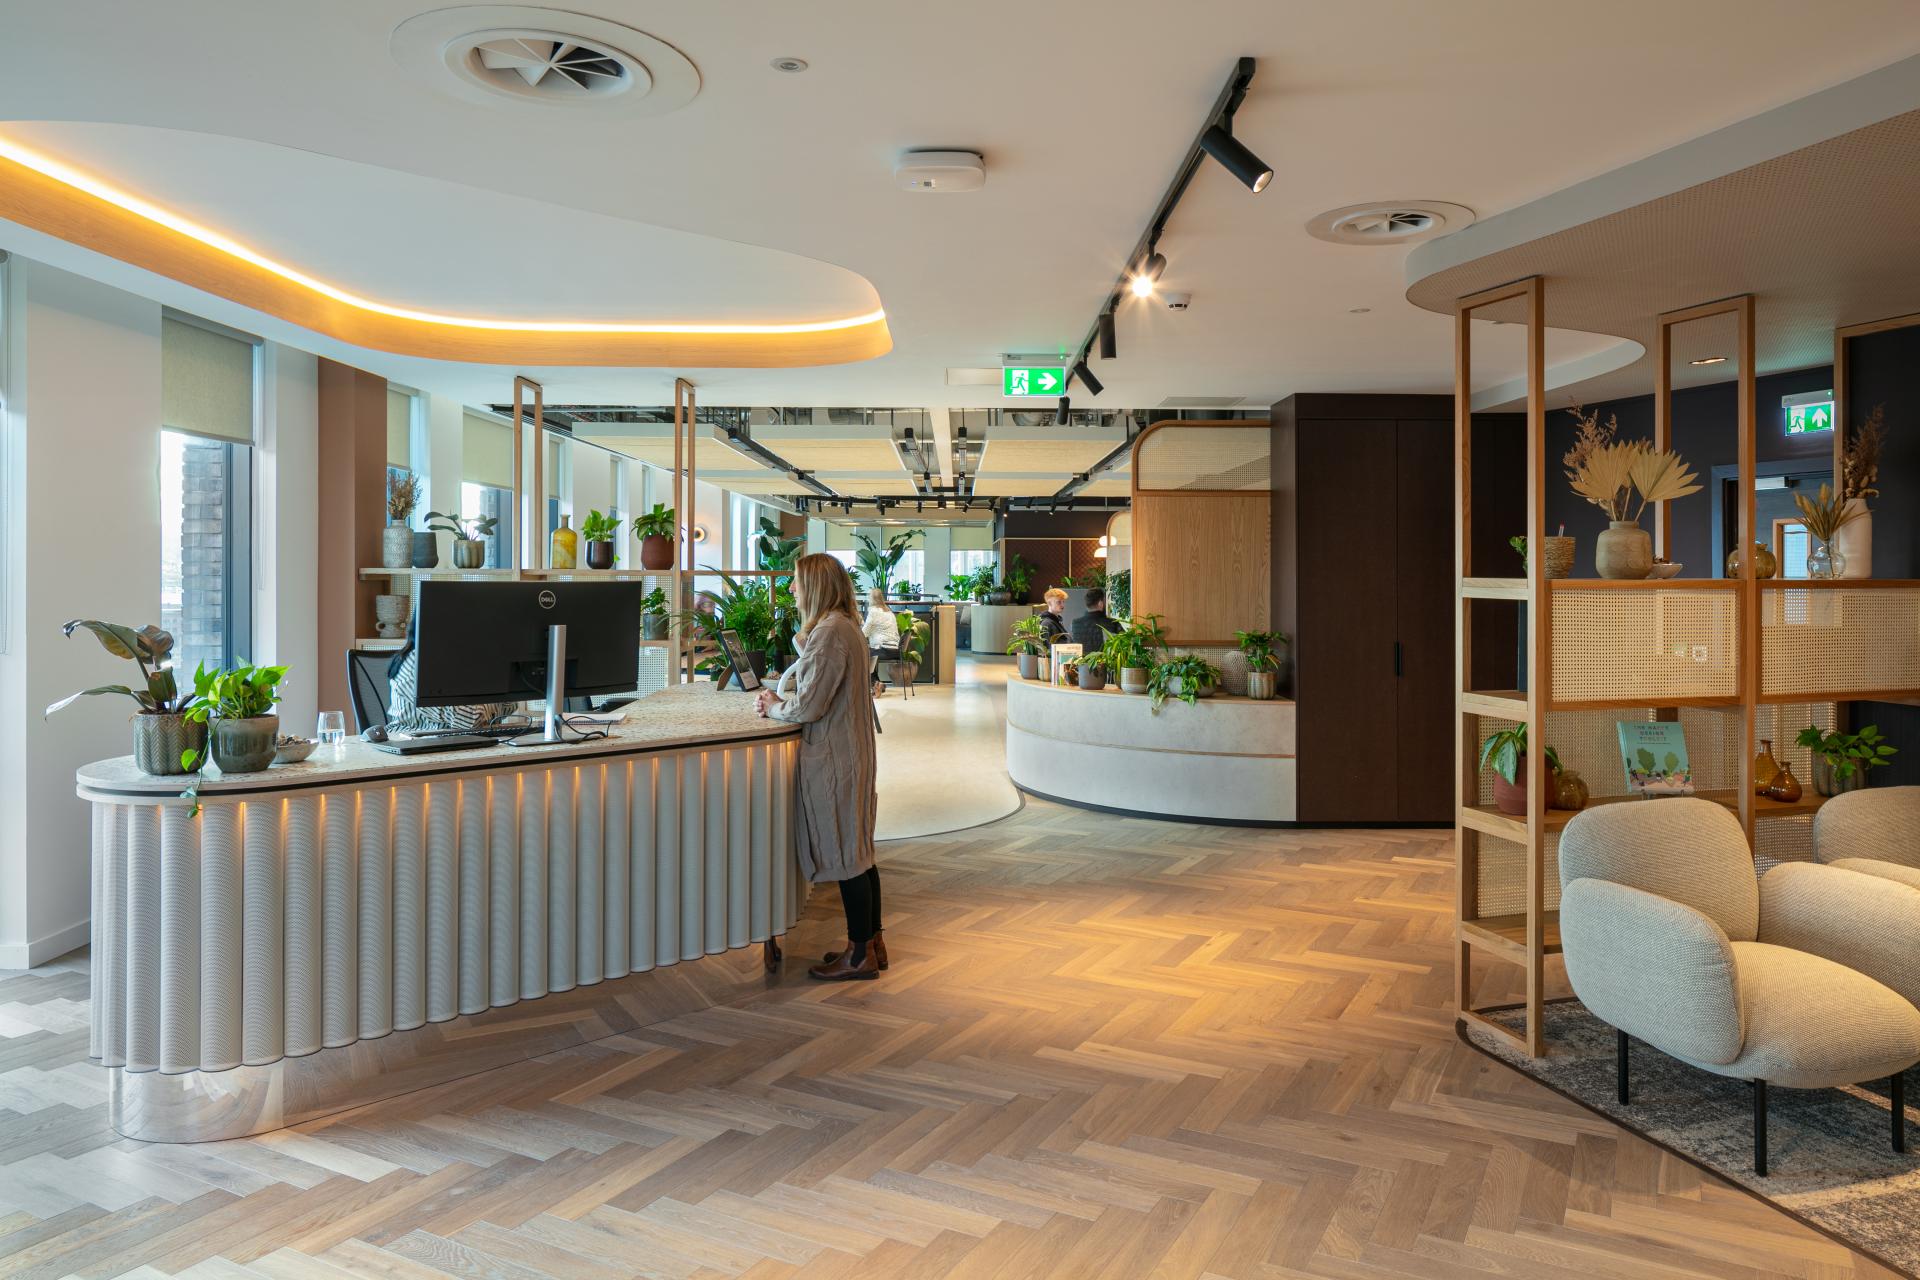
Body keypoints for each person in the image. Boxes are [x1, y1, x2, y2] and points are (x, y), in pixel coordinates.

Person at [755, 554, 885, 981]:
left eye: (796, 583)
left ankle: (859, 955)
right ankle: (867, 943)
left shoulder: (830, 632)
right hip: (852, 752)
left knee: (848, 855)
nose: (791, 590)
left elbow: (808, 704)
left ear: (813, 587)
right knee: (861, 851)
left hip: (835, 757)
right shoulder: (841, 627)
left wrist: (775, 707)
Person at [384, 611, 522, 735]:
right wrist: (493, 699)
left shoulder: (464, 658)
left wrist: (485, 703)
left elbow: (509, 706)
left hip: (460, 741)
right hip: (411, 744)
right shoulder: (416, 663)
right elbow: (469, 719)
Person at [860, 585, 900, 696]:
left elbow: (864, 634)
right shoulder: (889, 612)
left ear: (871, 599)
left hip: (884, 649)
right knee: (869, 654)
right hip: (896, 650)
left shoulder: (873, 612)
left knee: (864, 656)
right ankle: (877, 683)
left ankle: (876, 684)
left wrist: (861, 624)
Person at [1070, 586, 1122, 652]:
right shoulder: (1113, 623)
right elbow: (1124, 645)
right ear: (1100, 603)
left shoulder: (1075, 624)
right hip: (1105, 662)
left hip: (1081, 662)